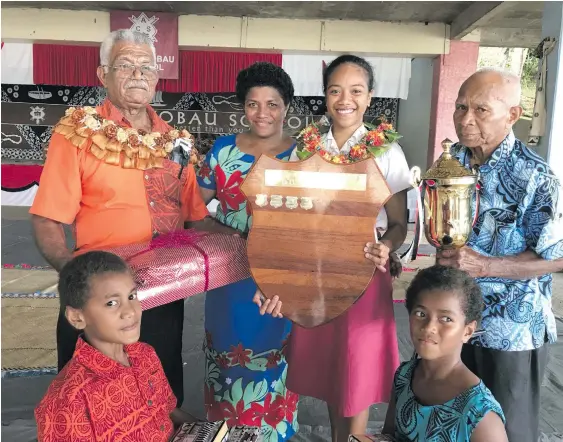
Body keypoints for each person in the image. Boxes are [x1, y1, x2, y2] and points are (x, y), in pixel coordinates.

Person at [29, 29, 226, 407]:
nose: (138, 74)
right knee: (93, 408)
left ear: (156, 77)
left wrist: (252, 243)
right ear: (103, 75)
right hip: (99, 299)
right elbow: (46, 218)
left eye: (146, 67)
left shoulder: (176, 143)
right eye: (125, 65)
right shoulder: (79, 133)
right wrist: (76, 279)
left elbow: (196, 220)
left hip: (165, 295)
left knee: (160, 403)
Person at [255, 55, 411, 442]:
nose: (346, 99)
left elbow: (397, 224)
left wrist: (386, 248)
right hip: (315, 275)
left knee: (355, 369)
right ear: (325, 96)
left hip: (362, 273)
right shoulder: (306, 148)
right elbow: (288, 216)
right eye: (335, 90)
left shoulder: (386, 152)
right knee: (332, 369)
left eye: (356, 91)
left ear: (370, 97)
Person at [436, 68, 563, 442]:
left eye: (481, 110)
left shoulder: (536, 176)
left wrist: (487, 265)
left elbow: (557, 257)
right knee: (450, 422)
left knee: (507, 430)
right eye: (461, 107)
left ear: (512, 114)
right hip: (453, 323)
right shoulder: (451, 161)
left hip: (510, 330)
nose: (465, 119)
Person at [195, 62, 299, 440]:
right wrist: (232, 237)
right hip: (229, 277)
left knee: (276, 360)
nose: (262, 113)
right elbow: (193, 210)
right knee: (225, 360)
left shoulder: (303, 156)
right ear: (243, 106)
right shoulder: (223, 150)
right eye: (253, 103)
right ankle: (224, 433)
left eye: (272, 103)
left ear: (286, 106)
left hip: (279, 278)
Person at [35, 251, 195, 442]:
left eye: (132, 296)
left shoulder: (145, 355)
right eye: (111, 303)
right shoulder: (69, 400)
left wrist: (211, 431)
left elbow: (165, 410)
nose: (129, 312)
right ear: (77, 317)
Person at [382, 265, 507, 442]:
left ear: (467, 331)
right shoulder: (404, 376)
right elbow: (387, 436)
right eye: (420, 313)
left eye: (446, 319)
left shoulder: (481, 416)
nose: (428, 327)